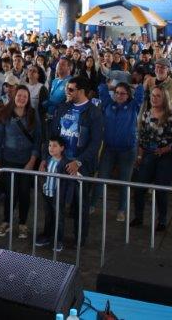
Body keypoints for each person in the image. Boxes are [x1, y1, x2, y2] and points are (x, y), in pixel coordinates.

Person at [47, 77, 103, 246]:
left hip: (81, 166)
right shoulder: (63, 107)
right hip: (59, 162)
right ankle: (56, 237)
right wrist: (48, 157)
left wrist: (78, 162)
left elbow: (95, 143)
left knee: (80, 204)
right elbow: (53, 134)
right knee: (56, 202)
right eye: (67, 89)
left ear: (81, 91)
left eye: (71, 89)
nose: (67, 92)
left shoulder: (94, 112)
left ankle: (80, 239)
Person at [131, 84, 172, 231]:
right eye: (153, 95)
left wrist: (164, 149)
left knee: (161, 189)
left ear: (164, 98)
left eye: (158, 96)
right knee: (140, 187)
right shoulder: (146, 114)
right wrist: (140, 155)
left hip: (167, 156)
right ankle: (138, 217)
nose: (154, 98)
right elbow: (142, 137)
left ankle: (162, 220)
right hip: (148, 153)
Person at [92, 79, 144, 222]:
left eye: (123, 93)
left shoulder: (134, 106)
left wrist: (133, 86)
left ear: (128, 95)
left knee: (124, 181)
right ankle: (92, 204)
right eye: (117, 93)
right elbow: (101, 87)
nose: (120, 96)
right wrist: (112, 86)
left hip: (127, 150)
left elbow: (141, 92)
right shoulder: (108, 104)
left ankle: (121, 210)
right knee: (101, 177)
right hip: (109, 149)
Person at [0, 85, 41, 240]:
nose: (21, 99)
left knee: (24, 193)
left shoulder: (33, 115)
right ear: (14, 97)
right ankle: (6, 221)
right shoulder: (5, 114)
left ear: (28, 99)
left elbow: (38, 140)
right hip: (8, 159)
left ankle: (22, 223)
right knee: (10, 192)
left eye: (25, 96)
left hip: (27, 160)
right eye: (19, 95)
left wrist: (33, 160)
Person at [35, 137, 74, 251]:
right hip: (47, 193)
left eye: (55, 146)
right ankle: (47, 236)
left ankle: (59, 240)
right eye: (50, 145)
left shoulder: (66, 163)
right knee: (48, 216)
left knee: (59, 218)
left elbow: (69, 183)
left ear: (62, 148)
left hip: (58, 196)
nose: (51, 148)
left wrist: (68, 198)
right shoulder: (47, 159)